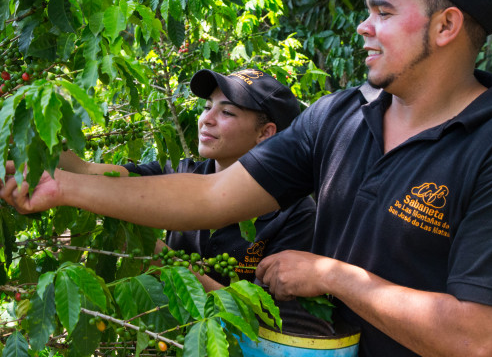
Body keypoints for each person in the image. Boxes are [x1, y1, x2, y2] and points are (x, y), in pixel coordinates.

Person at [0, 0, 492, 356]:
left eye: (383, 12)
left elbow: (481, 341)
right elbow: (210, 196)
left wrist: (333, 275)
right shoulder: (340, 116)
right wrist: (65, 186)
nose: (362, 27)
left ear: (446, 27)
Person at [58, 68, 316, 290]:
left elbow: (262, 318)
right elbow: (88, 172)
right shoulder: (179, 173)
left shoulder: (296, 214)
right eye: (207, 107)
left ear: (265, 133)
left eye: (227, 112)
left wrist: (158, 255)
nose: (206, 120)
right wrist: (42, 140)